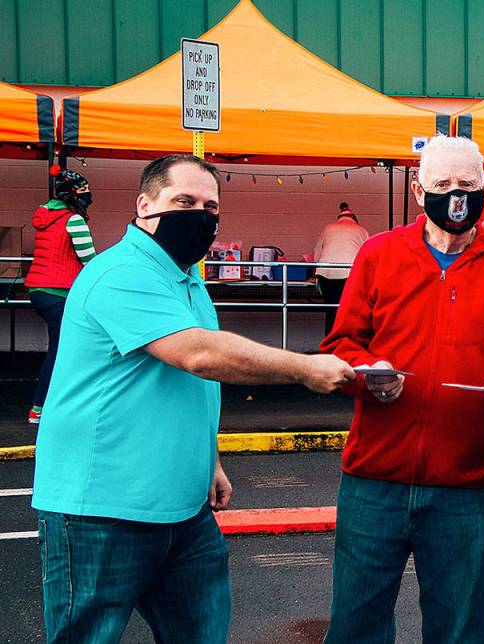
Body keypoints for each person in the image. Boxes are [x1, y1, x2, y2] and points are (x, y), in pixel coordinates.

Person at [32, 154, 356, 643]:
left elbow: (191, 384)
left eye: (210, 207)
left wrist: (211, 460)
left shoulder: (186, 279)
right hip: (101, 512)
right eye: (184, 201)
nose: (200, 215)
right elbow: (199, 355)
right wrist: (306, 368)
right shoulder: (119, 273)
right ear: (144, 205)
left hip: (183, 511)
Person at [320, 135, 484, 644]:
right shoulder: (379, 254)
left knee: (460, 629)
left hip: (466, 488)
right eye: (441, 184)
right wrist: (367, 372)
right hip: (374, 480)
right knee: (355, 625)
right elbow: (340, 343)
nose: (455, 194)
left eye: (466, 184)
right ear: (420, 194)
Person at [24, 167, 97, 424]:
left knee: (61, 348)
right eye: (84, 191)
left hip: (39, 291)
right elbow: (90, 261)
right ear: (72, 194)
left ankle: (46, 406)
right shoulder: (73, 220)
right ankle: (40, 409)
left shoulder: (47, 216)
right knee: (62, 351)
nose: (88, 195)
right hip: (59, 292)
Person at [314, 201, 369, 332]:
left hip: (326, 273)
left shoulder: (328, 228)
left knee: (331, 310)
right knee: (349, 311)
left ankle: (329, 343)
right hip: (350, 274)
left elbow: (317, 252)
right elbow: (368, 256)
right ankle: (345, 344)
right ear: (354, 219)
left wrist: (314, 272)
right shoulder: (362, 230)